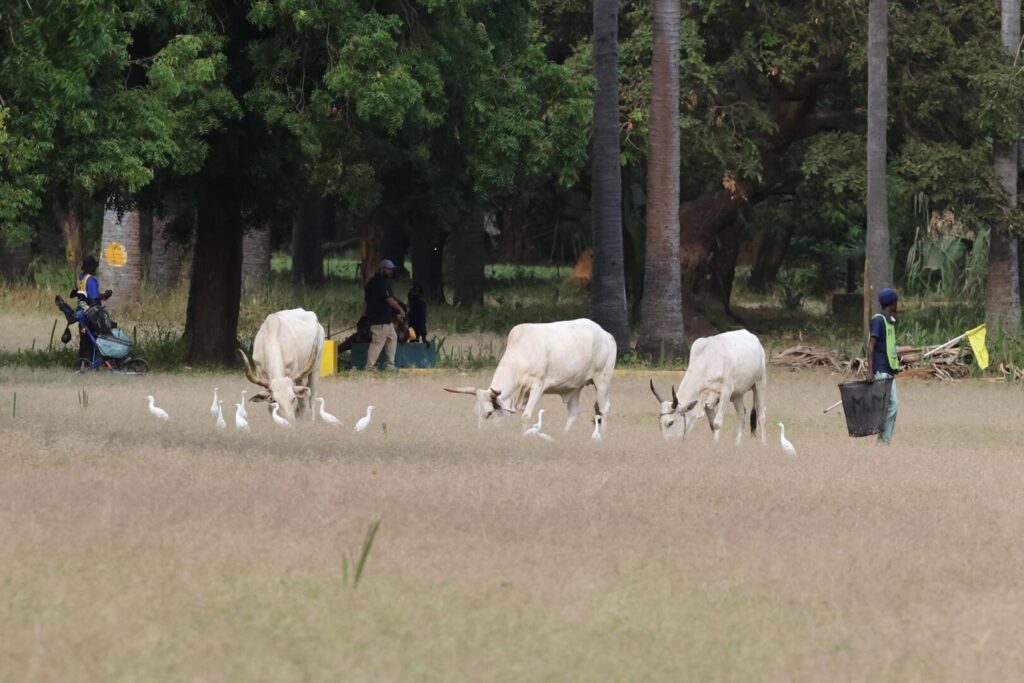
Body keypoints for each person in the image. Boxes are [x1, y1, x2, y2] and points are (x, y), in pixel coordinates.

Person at [866, 287, 900, 444]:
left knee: (891, 405)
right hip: (880, 371)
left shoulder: (889, 320)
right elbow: (871, 345)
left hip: (888, 370)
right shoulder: (878, 320)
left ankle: (884, 440)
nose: (897, 304)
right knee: (890, 404)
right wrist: (869, 371)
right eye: (896, 302)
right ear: (892, 303)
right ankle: (883, 442)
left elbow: (888, 345)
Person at [362, 259, 405, 370]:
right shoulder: (382, 283)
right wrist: (400, 309)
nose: (390, 271)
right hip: (380, 319)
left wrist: (364, 313)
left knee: (392, 337)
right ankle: (369, 367)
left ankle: (390, 365)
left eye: (391, 269)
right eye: (388, 269)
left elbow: (366, 300)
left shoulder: (371, 282)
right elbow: (389, 300)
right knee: (377, 342)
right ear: (382, 269)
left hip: (385, 319)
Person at [74, 255, 112, 363]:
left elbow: (85, 295)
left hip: (81, 314)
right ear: (92, 268)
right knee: (94, 339)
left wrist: (103, 296)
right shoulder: (91, 280)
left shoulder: (80, 279)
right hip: (91, 315)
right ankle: (92, 362)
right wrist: (104, 295)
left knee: (84, 340)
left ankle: (82, 363)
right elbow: (94, 299)